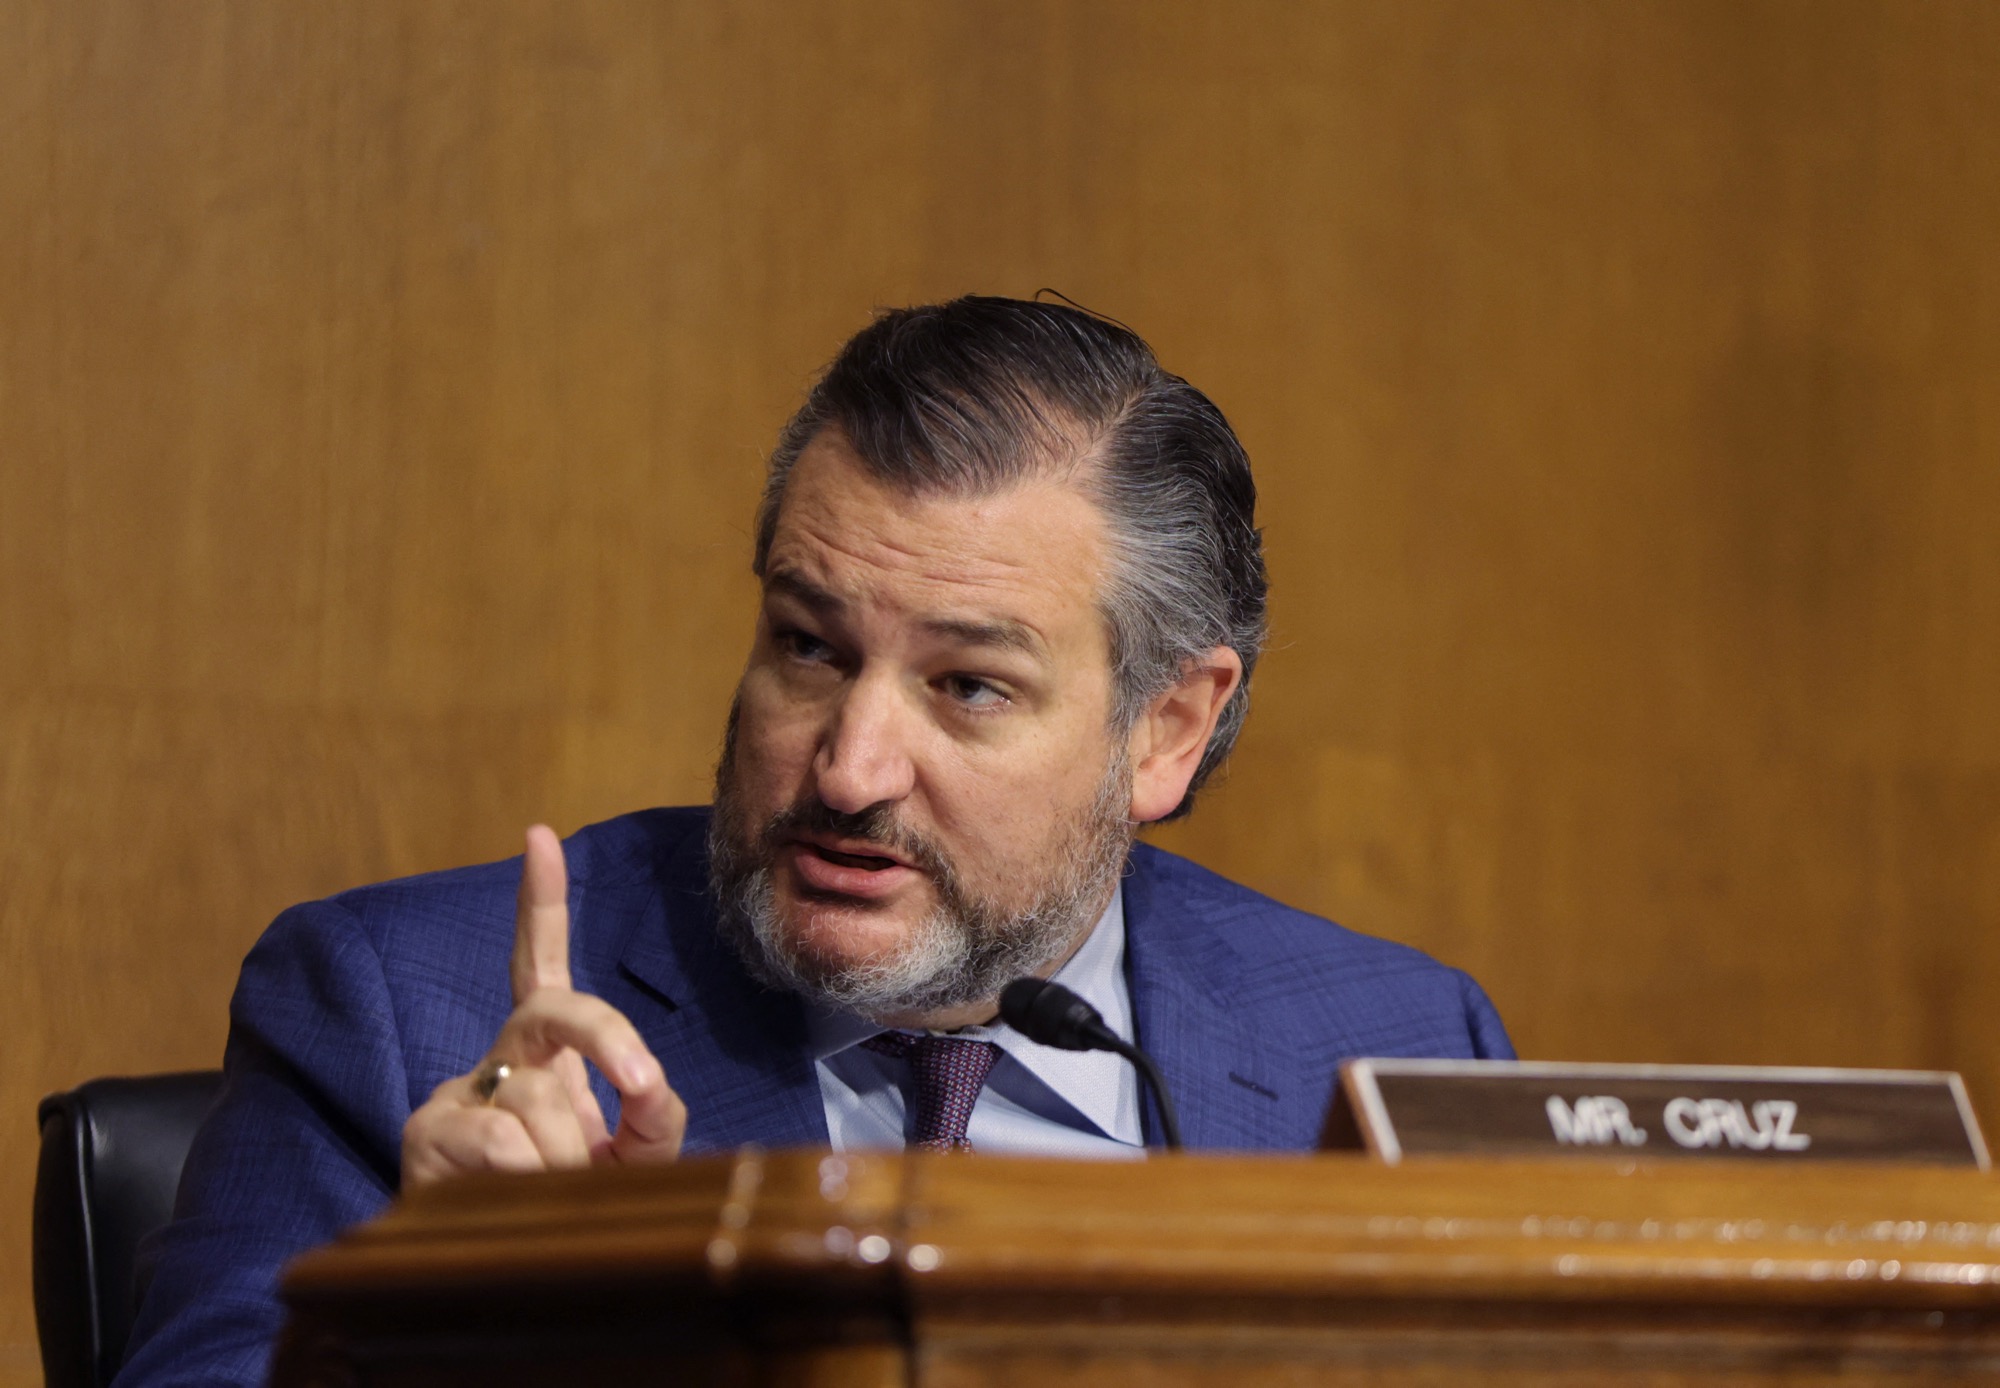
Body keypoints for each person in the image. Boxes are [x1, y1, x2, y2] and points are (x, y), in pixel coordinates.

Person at [116, 296, 1512, 1386]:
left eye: (968, 686)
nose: (847, 767)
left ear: (1165, 731)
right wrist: (447, 1328)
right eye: (807, 646)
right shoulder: (400, 1013)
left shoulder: (1393, 1051)